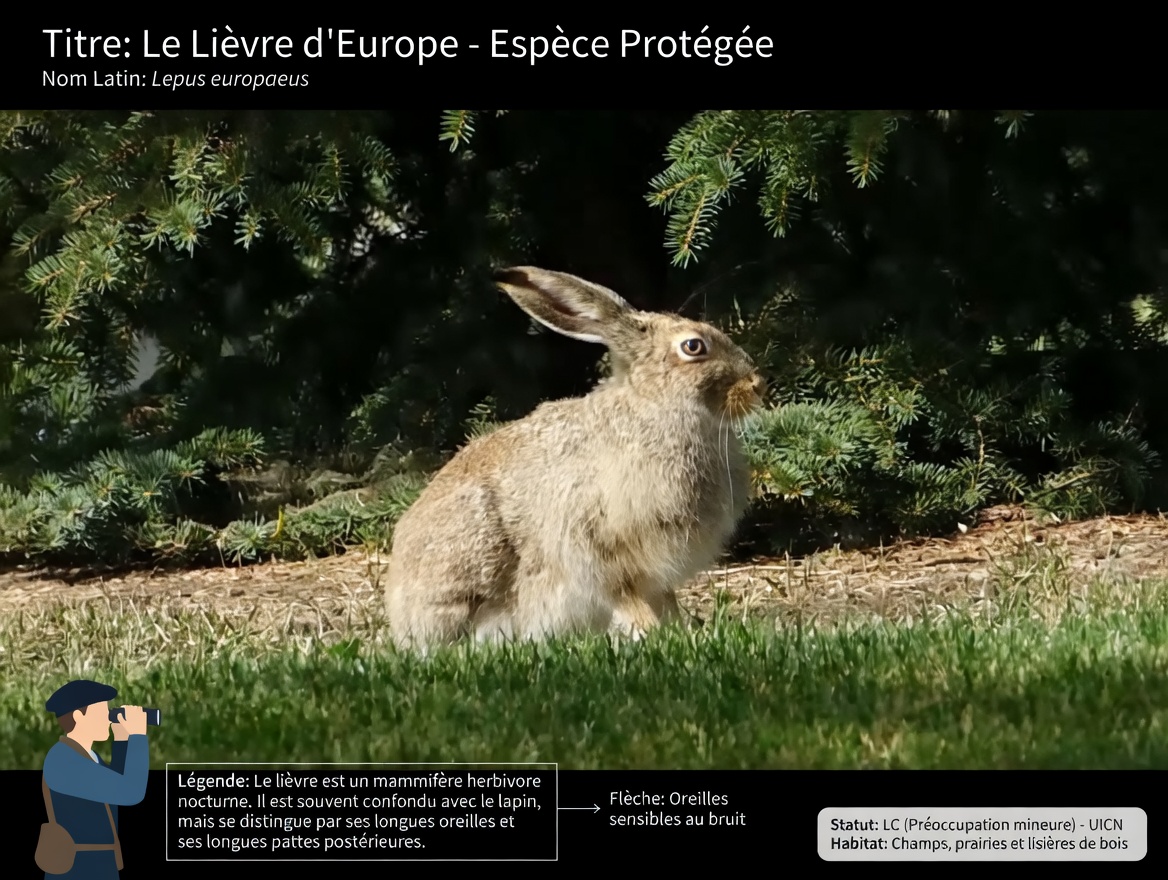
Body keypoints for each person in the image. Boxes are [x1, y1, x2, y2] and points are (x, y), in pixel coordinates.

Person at [39, 680, 150, 878]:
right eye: (101, 713)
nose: (108, 720)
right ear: (78, 716)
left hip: (100, 863)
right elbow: (130, 792)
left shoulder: (89, 757)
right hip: (75, 867)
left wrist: (122, 740)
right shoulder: (62, 761)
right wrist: (138, 738)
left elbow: (114, 786)